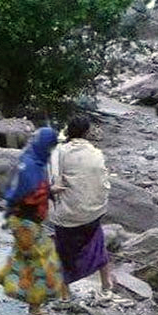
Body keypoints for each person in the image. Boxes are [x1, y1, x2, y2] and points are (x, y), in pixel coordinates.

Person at [0, 127, 68, 315]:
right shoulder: (30, 166)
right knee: (43, 262)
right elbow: (23, 194)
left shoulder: (34, 162)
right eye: (51, 146)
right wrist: (47, 192)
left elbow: (30, 191)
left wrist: (50, 191)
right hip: (26, 222)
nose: (52, 150)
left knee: (20, 259)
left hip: (25, 221)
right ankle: (35, 306)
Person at [49, 115, 116, 294]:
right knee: (97, 241)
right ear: (87, 133)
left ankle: (65, 294)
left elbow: (55, 182)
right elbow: (102, 181)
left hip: (69, 216)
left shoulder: (59, 152)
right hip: (95, 211)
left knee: (63, 253)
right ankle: (106, 284)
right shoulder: (96, 152)